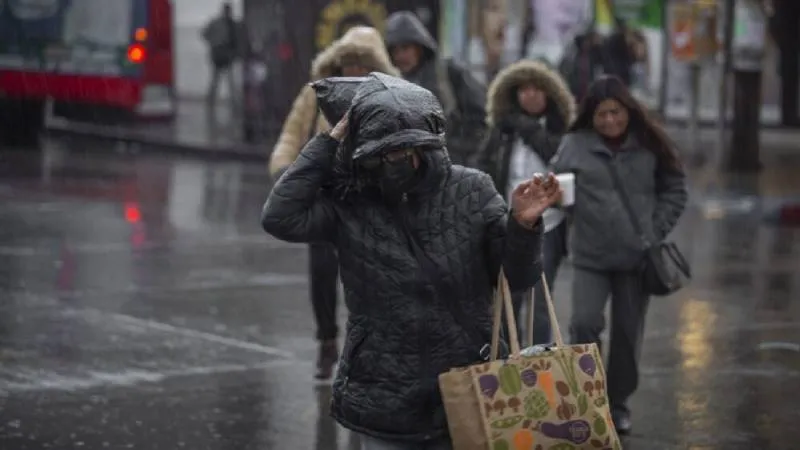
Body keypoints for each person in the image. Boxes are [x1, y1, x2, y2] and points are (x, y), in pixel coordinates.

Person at [261, 72, 562, 449]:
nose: (396, 163)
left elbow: (517, 278)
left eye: (405, 152)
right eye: (383, 155)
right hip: (383, 395)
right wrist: (329, 140)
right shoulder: (351, 203)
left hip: (467, 387)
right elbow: (279, 216)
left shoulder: (472, 190)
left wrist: (521, 224)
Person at [550, 75, 688, 434]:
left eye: (615, 112)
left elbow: (675, 189)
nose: (609, 121)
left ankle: (617, 403)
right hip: (590, 257)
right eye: (601, 115)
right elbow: (555, 188)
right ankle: (589, 400)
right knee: (583, 324)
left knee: (627, 336)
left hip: (635, 260)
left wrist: (653, 231)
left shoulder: (650, 144)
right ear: (589, 117)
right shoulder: (574, 145)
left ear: (628, 110)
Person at [267, 26, 399, 380]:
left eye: (361, 63)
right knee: (322, 273)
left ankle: (366, 350)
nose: (353, 71)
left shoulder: (388, 97)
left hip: (368, 200)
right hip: (325, 196)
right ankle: (327, 340)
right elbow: (292, 133)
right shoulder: (316, 94)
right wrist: (285, 170)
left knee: (370, 277)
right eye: (347, 63)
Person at [474, 60, 576, 346]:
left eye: (537, 89)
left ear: (549, 94)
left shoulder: (560, 131)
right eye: (523, 89)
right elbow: (484, 165)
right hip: (507, 221)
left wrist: (530, 130)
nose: (529, 95)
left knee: (540, 299)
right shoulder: (503, 130)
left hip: (549, 224)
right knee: (508, 297)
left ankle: (541, 361)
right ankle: (510, 362)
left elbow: (560, 161)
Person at [384, 11, 487, 167]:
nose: (400, 56)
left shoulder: (448, 73)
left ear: (419, 47)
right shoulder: (387, 84)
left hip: (451, 167)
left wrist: (457, 150)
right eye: (395, 50)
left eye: (405, 48)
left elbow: (480, 116)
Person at [202, 2, 239, 105]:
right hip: (218, 55)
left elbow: (236, 40)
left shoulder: (233, 24)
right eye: (227, 10)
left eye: (229, 11)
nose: (228, 13)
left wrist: (235, 53)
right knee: (216, 81)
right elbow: (204, 34)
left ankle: (233, 103)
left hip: (227, 56)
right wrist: (214, 42)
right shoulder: (216, 22)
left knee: (230, 81)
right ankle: (210, 101)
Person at [559, 28, 608, 104]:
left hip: (586, 89)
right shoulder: (574, 51)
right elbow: (565, 67)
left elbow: (602, 65)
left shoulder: (595, 53)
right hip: (574, 88)